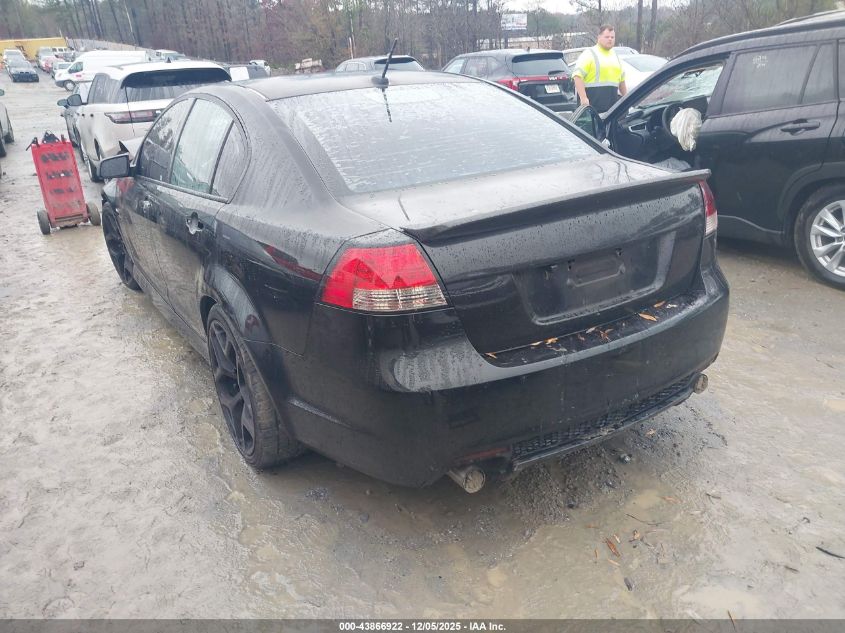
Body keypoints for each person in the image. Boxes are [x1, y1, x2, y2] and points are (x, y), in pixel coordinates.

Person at [572, 25, 628, 113]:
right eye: (607, 37)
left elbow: (622, 82)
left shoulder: (615, 56)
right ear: (599, 37)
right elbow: (577, 77)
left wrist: (627, 99)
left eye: (612, 37)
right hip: (592, 109)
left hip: (611, 111)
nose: (610, 39)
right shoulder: (589, 53)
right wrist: (583, 98)